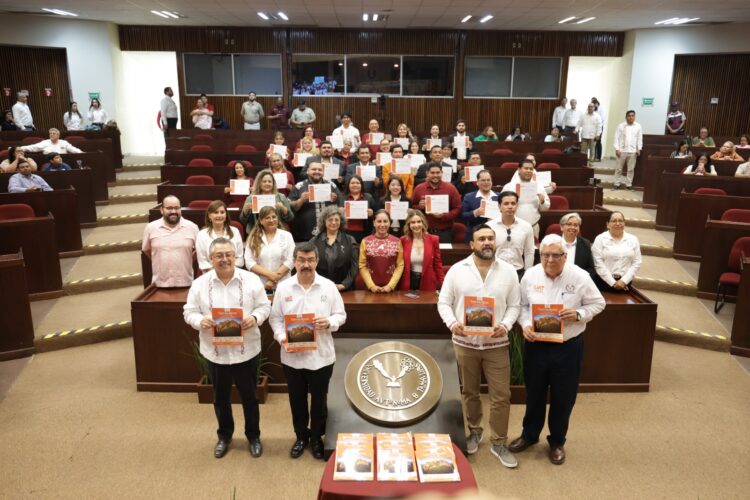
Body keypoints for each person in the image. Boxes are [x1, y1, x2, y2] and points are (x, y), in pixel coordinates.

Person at [509, 234, 606, 466]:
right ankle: (529, 435)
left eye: (556, 255)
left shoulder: (580, 276)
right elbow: (522, 306)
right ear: (540, 255)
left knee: (564, 396)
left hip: (568, 347)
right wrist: (525, 325)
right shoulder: (530, 275)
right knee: (534, 393)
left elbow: (598, 303)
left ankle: (557, 441)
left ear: (565, 255)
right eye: (545, 255)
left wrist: (579, 314)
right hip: (536, 345)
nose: (550, 260)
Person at [437, 223, 521, 467]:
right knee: (470, 392)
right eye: (481, 239)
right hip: (465, 343)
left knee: (501, 395)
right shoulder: (457, 270)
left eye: (490, 238)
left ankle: (499, 442)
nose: (487, 242)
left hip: (497, 343)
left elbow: (515, 305)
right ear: (472, 244)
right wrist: (452, 323)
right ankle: (475, 432)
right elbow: (444, 302)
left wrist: (505, 324)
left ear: (496, 242)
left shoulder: (508, 271)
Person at [183, 237, 271, 459]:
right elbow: (189, 311)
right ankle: (224, 436)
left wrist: (255, 318)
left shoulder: (251, 280)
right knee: (220, 399)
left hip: (246, 351)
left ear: (235, 256)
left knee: (250, 398)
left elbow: (264, 306)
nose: (224, 259)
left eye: (228, 255)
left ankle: (253, 436)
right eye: (219, 255)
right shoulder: (199, 284)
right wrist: (199, 321)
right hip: (215, 353)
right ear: (210, 259)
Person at [269, 242, 346, 460]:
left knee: (319, 401)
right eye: (301, 260)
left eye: (310, 260)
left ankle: (316, 439)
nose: (306, 264)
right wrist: (281, 337)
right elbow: (275, 319)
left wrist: (329, 322)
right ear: (294, 262)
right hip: (292, 357)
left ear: (317, 261)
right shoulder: (284, 288)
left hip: (321, 356)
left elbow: (341, 315)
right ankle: (301, 436)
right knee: (297, 400)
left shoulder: (328, 287)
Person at [142, 195, 199, 287]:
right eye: (169, 208)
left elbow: (199, 250)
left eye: (176, 208)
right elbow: (146, 249)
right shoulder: (151, 228)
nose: (173, 211)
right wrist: (158, 257)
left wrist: (188, 258)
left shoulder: (192, 227)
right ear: (162, 210)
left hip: (185, 283)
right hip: (159, 283)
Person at [486, 191, 535, 280]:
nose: (510, 206)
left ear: (517, 205)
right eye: (506, 204)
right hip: (495, 272)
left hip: (518, 272)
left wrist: (528, 274)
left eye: (513, 203)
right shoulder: (490, 226)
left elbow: (529, 252)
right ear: (499, 206)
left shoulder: (526, 226)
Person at [244, 206, 295, 292]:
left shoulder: (287, 236)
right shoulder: (252, 238)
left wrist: (272, 280)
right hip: (260, 284)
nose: (271, 220)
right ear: (261, 221)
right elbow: (249, 262)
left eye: (274, 217)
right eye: (267, 218)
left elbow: (291, 260)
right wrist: (271, 276)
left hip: (283, 283)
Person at [310, 205, 359, 291]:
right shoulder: (314, 241)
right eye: (330, 220)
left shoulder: (350, 240)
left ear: (341, 222)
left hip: (345, 289)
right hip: (320, 288)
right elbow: (310, 265)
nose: (333, 222)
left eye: (336, 220)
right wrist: (320, 283)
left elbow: (354, 266)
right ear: (324, 221)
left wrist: (344, 284)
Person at [411, 162, 462, 243]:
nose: (435, 175)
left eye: (438, 172)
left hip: (444, 232)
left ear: (442, 173)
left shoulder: (451, 188)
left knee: (444, 251)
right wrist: (419, 207)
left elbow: (458, 208)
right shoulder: (419, 188)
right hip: (423, 231)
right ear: (427, 173)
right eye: (432, 173)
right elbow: (412, 207)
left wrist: (444, 216)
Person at [289, 162, 341, 240]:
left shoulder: (332, 185)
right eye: (314, 169)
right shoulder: (299, 186)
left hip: (329, 232)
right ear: (307, 171)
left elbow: (341, 206)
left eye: (320, 170)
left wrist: (335, 200)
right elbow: (291, 207)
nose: (317, 171)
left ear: (323, 172)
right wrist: (301, 200)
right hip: (304, 234)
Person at [592, 211, 642, 292]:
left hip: (625, 284)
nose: (618, 223)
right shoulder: (600, 239)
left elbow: (637, 262)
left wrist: (624, 281)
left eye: (620, 221)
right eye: (614, 221)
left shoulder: (633, 239)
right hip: (603, 283)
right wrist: (612, 282)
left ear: (624, 223)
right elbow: (597, 263)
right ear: (608, 224)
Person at [359, 210, 404, 293]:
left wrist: (390, 286)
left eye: (385, 221)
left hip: (392, 289)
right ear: (374, 223)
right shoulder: (365, 241)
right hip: (370, 289)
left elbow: (400, 265)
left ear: (389, 223)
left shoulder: (397, 241)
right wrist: (371, 286)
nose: (382, 225)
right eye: (379, 221)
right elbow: (362, 265)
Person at [502, 160, 550, 238]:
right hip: (513, 227)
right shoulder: (509, 186)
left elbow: (545, 208)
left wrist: (542, 201)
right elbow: (501, 207)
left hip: (533, 227)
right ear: (519, 170)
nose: (528, 171)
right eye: (526, 168)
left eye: (531, 169)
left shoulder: (539, 186)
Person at [400, 209, 444, 292]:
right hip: (409, 281)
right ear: (409, 225)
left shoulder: (433, 239)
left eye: (419, 222)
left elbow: (437, 264)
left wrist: (443, 283)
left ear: (423, 223)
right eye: (413, 222)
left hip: (427, 281)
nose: (416, 225)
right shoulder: (403, 240)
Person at [239, 169, 294, 234]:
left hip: (278, 231)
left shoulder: (281, 197)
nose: (267, 183)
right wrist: (245, 211)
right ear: (259, 183)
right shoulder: (251, 198)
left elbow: (290, 218)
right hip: (256, 233)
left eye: (269, 181)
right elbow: (243, 220)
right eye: (264, 181)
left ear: (273, 183)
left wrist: (283, 208)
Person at [196, 200, 245, 271]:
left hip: (233, 273)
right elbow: (203, 262)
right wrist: (219, 273)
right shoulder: (202, 234)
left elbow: (239, 259)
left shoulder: (235, 231)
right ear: (209, 216)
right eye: (216, 212)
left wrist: (228, 272)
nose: (219, 215)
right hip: (210, 274)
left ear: (226, 215)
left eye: (222, 212)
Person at [461, 170, 499, 241]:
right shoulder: (469, 197)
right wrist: (475, 213)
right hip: (475, 235)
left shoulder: (499, 197)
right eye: (483, 180)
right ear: (477, 182)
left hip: (496, 234)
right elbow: (463, 216)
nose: (486, 182)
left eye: (488, 180)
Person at [338, 174, 376, 243]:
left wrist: (372, 214)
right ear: (348, 185)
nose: (355, 185)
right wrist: (339, 212)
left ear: (361, 185)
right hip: (345, 232)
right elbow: (335, 215)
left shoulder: (369, 197)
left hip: (365, 232)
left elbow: (377, 215)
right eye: (352, 183)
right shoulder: (341, 197)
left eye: (358, 183)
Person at [559, 212, 596, 279]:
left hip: (578, 281)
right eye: (569, 224)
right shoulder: (554, 242)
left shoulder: (585, 244)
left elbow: (591, 269)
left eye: (576, 225)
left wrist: (581, 280)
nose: (572, 227)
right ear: (561, 227)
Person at [612, 110, 643, 190]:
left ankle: (629, 184)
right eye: (629, 116)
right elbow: (616, 137)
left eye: (632, 116)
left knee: (631, 169)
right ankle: (616, 184)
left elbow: (639, 138)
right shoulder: (621, 126)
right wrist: (617, 148)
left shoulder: (638, 126)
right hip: (622, 150)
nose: (631, 117)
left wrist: (639, 148)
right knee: (618, 169)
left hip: (633, 151)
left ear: (634, 117)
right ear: (626, 117)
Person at [591, 97, 607, 162]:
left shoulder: (602, 109)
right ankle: (594, 156)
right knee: (593, 142)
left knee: (598, 141)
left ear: (597, 103)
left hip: (599, 127)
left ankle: (598, 157)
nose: (594, 106)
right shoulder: (594, 109)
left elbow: (602, 119)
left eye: (594, 104)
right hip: (593, 127)